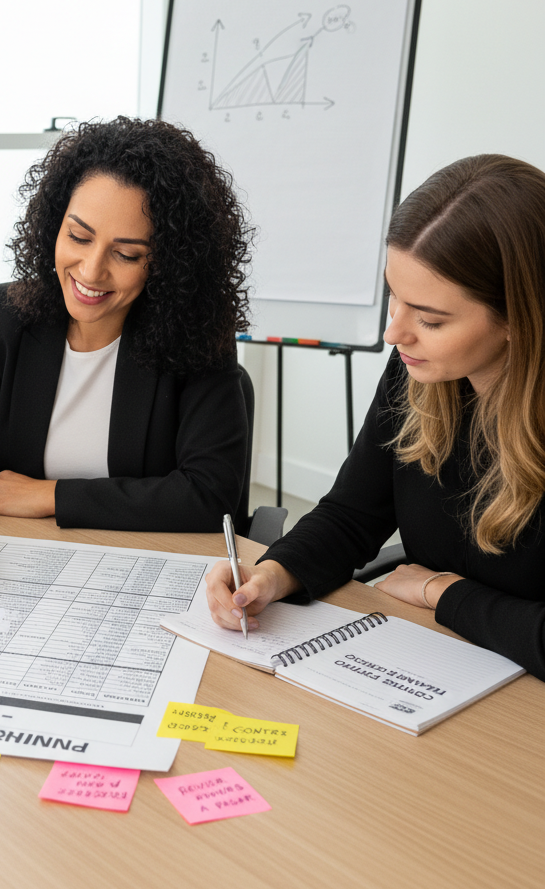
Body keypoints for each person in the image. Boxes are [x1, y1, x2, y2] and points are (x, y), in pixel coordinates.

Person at [206, 154, 545, 681]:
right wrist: (274, 573)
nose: (396, 334)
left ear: (518, 320)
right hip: (443, 658)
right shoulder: (422, 371)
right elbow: (352, 514)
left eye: (430, 319)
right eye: (394, 297)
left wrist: (442, 591)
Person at [0, 117, 252, 589]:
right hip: (28, 576)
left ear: (168, 262)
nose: (90, 270)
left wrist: (52, 496)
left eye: (126, 254)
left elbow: (210, 495)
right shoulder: (5, 317)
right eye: (79, 236)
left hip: (144, 577)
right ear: (54, 224)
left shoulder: (196, 335)